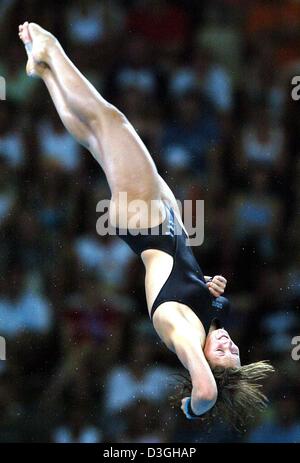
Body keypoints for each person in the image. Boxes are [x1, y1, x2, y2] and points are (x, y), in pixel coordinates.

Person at [18, 22, 274, 429]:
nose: (229, 345)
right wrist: (206, 287)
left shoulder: (185, 340)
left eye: (224, 355)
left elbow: (206, 393)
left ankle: (51, 48)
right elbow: (184, 288)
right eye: (236, 351)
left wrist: (194, 407)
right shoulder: (199, 320)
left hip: (149, 223)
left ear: (206, 365)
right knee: (93, 136)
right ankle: (45, 69)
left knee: (111, 121)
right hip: (159, 223)